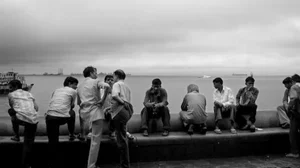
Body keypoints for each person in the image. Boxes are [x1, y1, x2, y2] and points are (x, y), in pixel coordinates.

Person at [77, 66, 110, 168]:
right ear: (91, 73)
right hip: (95, 112)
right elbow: (107, 86)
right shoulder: (96, 81)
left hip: (84, 114)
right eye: (95, 72)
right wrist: (102, 100)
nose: (96, 74)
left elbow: (78, 102)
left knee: (90, 136)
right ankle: (91, 165)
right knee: (95, 141)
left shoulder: (80, 86)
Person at [45, 76, 78, 168]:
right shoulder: (73, 92)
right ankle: (71, 133)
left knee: (52, 141)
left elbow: (52, 102)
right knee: (72, 113)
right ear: (70, 84)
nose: (76, 87)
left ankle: (51, 162)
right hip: (62, 118)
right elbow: (71, 106)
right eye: (75, 84)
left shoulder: (56, 90)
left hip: (50, 117)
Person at [7, 80, 39, 168]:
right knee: (28, 143)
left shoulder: (11, 94)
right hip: (34, 120)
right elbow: (36, 108)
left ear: (15, 87)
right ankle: (28, 164)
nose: (9, 89)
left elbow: (12, 107)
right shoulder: (29, 94)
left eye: (10, 87)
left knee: (11, 111)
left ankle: (16, 135)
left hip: (20, 119)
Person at [110, 69, 133, 168]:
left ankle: (124, 165)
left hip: (120, 111)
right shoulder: (126, 87)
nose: (113, 78)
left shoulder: (116, 85)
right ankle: (125, 163)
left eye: (113, 76)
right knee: (122, 136)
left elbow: (115, 95)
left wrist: (122, 103)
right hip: (127, 112)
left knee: (121, 139)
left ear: (116, 76)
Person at [103, 74, 134, 140]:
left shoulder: (117, 92)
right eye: (108, 80)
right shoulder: (101, 91)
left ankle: (123, 132)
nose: (110, 81)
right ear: (105, 82)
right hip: (104, 112)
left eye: (112, 80)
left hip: (114, 111)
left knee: (120, 115)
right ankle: (115, 132)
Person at [286, 74, 300, 158]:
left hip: (297, 113)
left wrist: (289, 107)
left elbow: (294, 98)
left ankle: (294, 152)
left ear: (293, 81)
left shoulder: (294, 87)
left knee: (293, 132)